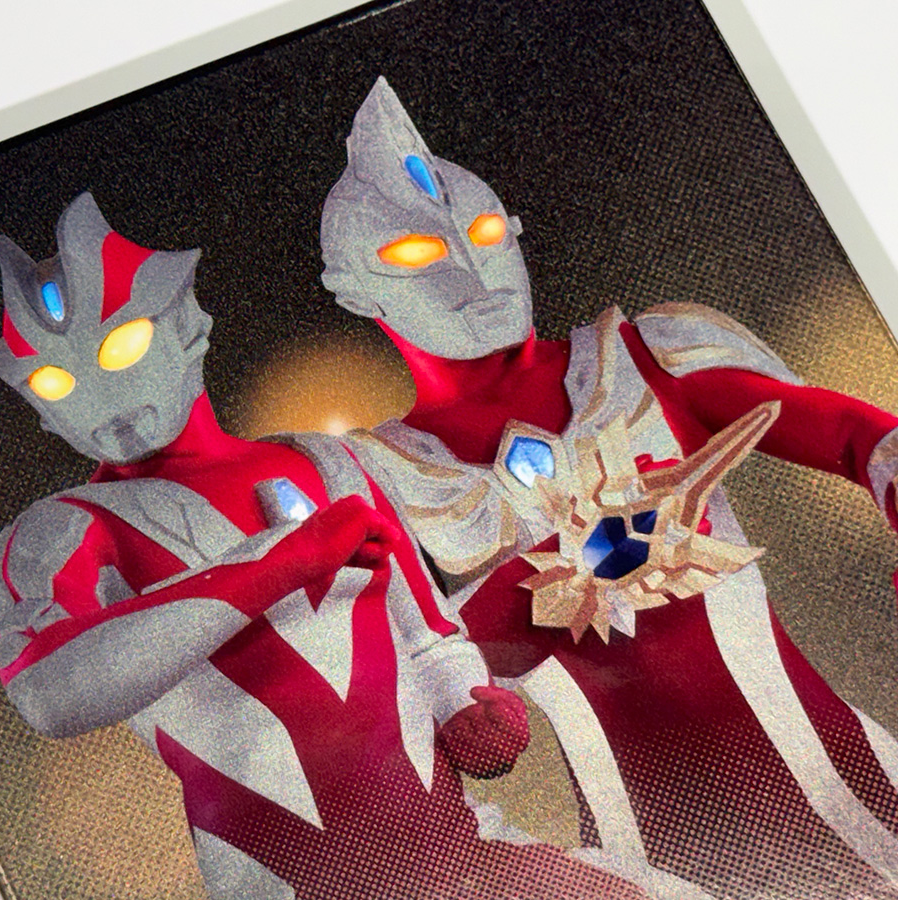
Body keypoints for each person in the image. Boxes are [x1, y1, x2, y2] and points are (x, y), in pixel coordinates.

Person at [323, 76, 898, 900]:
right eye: (416, 254)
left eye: (486, 233)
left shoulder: (648, 357)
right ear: (355, 290)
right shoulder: (371, 478)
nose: (473, 268)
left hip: (855, 790)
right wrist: (488, 659)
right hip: (645, 861)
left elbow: (859, 435)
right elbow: (391, 687)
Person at [0, 191, 649, 900]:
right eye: (54, 380)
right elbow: (47, 691)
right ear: (36, 408)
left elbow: (425, 630)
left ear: (187, 325)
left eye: (123, 346)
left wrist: (463, 700)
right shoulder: (63, 530)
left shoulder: (322, 461)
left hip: (456, 849)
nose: (99, 394)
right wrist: (277, 563)